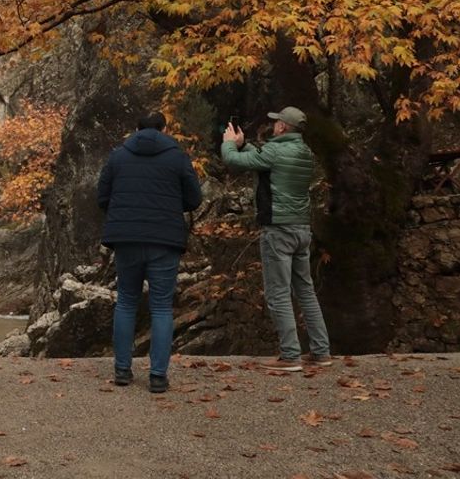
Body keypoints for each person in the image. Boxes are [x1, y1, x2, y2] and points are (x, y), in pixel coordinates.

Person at [97, 111, 203, 393]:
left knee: (127, 302)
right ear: (164, 128)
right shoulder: (177, 156)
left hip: (126, 239)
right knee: (160, 307)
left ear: (137, 128)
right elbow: (194, 199)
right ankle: (157, 375)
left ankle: (122, 369)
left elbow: (102, 197)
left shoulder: (118, 156)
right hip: (165, 240)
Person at [221, 106, 332, 371]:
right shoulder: (304, 152)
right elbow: (263, 161)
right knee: (305, 290)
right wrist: (244, 143)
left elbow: (236, 162)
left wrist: (228, 145)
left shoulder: (276, 151)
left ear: (282, 127)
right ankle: (321, 351)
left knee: (278, 292)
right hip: (301, 229)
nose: (273, 126)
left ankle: (290, 355)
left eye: (276, 123)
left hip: (278, 229)